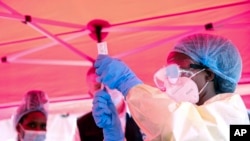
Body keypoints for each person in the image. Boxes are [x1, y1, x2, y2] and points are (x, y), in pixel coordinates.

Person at [92, 33, 250, 141]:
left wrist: (127, 83)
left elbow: (185, 131)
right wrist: (114, 135)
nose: (169, 81)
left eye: (176, 71)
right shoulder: (192, 118)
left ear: (208, 74)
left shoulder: (232, 118)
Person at [76, 66, 144, 141]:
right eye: (98, 86)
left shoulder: (143, 116)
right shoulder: (83, 125)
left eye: (110, 83)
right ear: (91, 94)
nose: (107, 89)